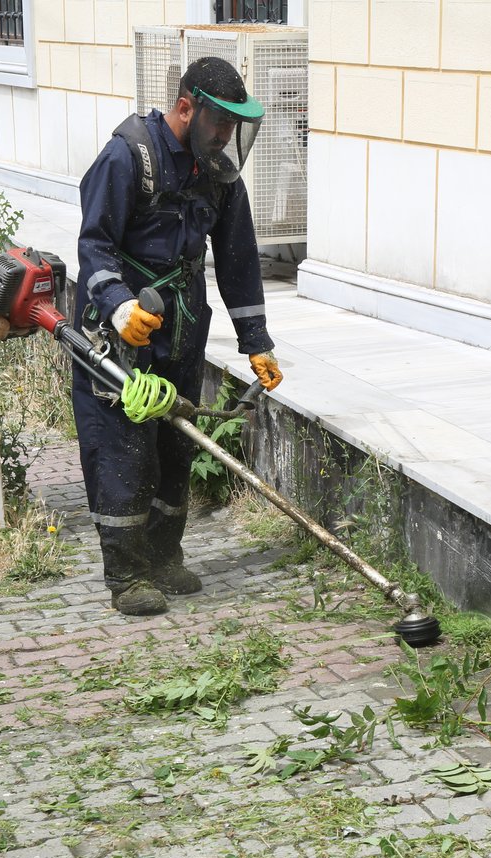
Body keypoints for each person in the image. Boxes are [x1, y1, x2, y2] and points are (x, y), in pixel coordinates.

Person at [73, 56, 284, 617]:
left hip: (183, 328)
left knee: (176, 443)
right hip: (120, 335)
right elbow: (93, 245)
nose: (226, 136)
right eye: (219, 122)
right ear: (186, 108)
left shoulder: (217, 174)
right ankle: (126, 574)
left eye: (235, 126)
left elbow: (237, 261)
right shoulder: (129, 157)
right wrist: (117, 308)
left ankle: (165, 557)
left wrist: (257, 341)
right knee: (123, 446)